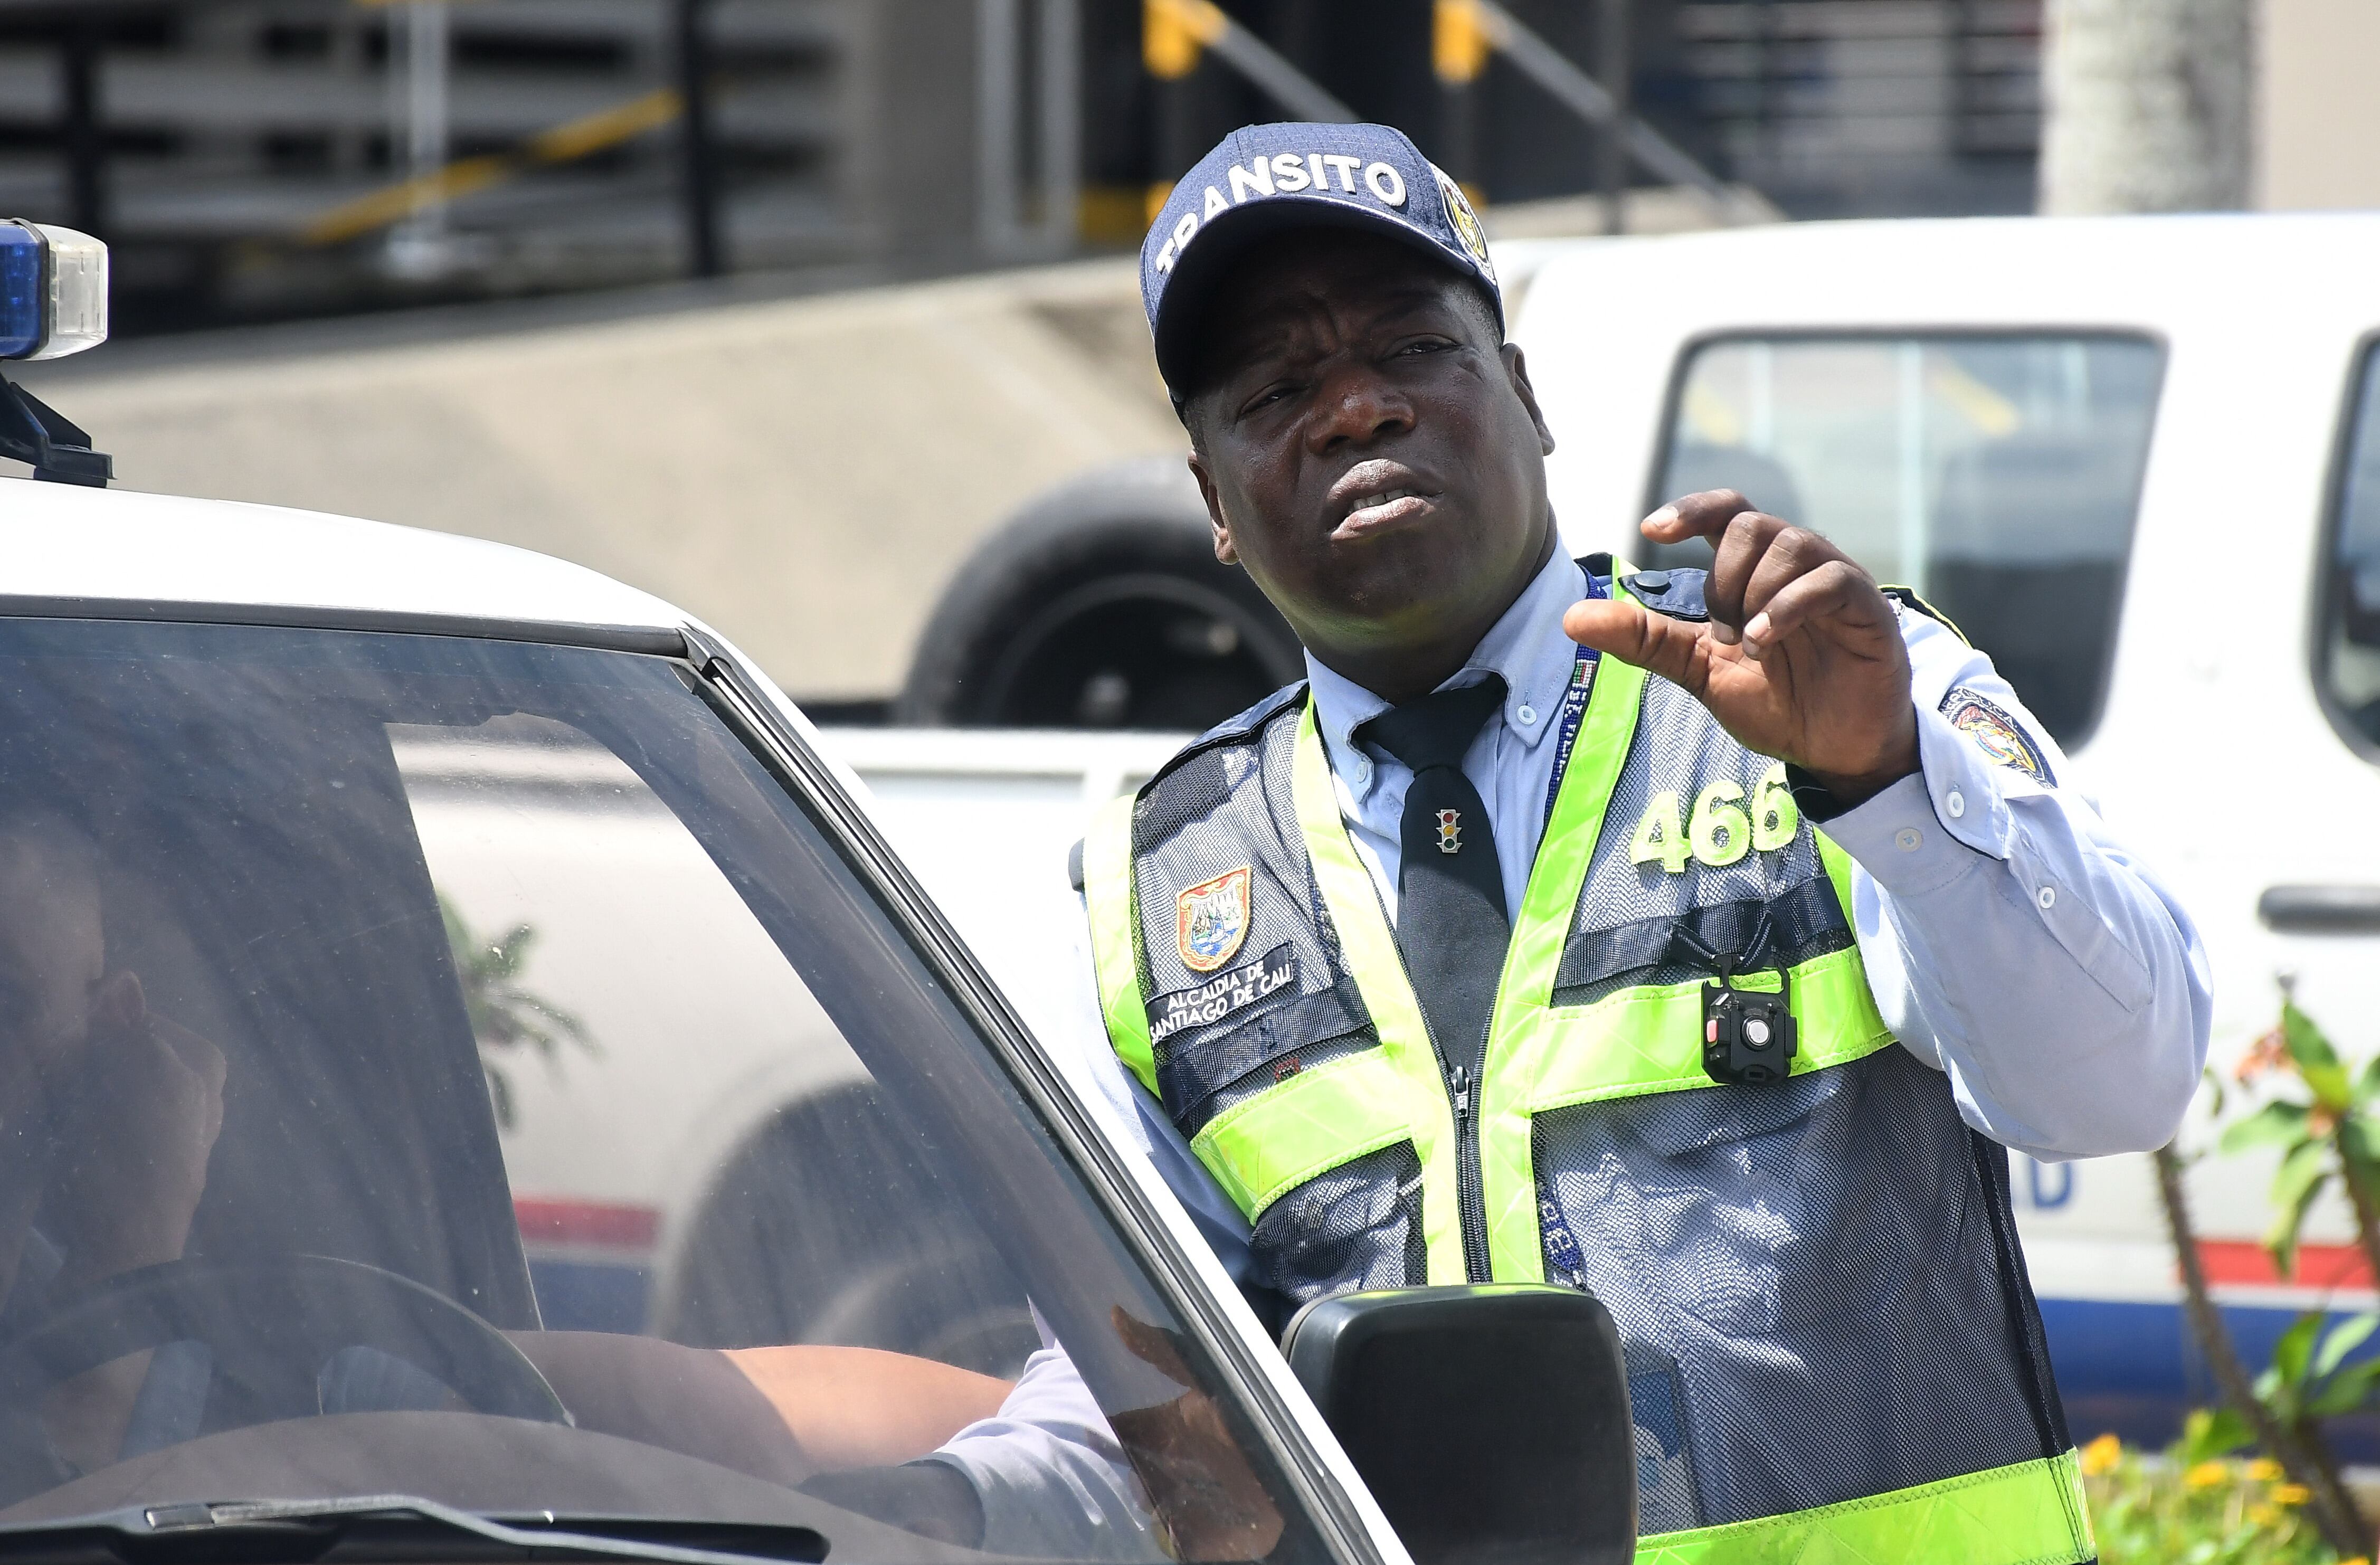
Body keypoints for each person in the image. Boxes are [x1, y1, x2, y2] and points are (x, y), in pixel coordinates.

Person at [924, 121, 2211, 1561]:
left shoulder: (1829, 690)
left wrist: (1884, 780)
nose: (1354, 410)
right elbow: (1147, 1391)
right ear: (1216, 505)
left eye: (1413, 349)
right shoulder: (1159, 886)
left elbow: (2121, 1083)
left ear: (1525, 397)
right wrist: (935, 1504)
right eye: (1280, 388)